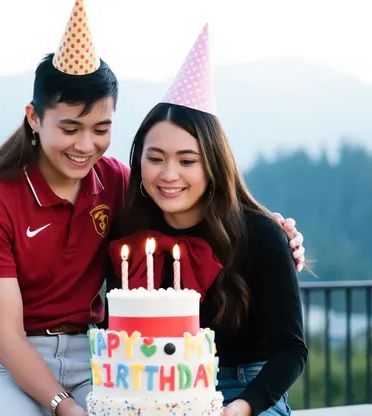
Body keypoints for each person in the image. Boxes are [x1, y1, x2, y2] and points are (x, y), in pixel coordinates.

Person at [0, 7, 306, 416]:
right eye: (70, 128)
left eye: (102, 129)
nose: (85, 145)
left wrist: (283, 235)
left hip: (103, 359)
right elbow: (6, 336)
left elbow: (289, 343)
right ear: (34, 119)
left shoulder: (115, 184)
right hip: (10, 358)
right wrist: (62, 403)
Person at [104, 25, 307, 416]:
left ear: (212, 164)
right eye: (156, 157)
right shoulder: (130, 236)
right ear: (138, 159)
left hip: (245, 388)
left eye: (186, 160)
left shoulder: (259, 234)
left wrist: (244, 406)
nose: (168, 174)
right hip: (150, 390)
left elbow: (292, 349)